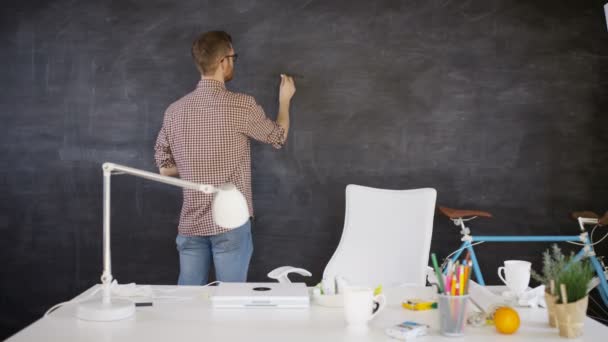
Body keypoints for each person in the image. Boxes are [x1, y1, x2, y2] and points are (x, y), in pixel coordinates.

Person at [154, 31, 296, 285]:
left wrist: (193, 161)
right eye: (233, 57)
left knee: (186, 301)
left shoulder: (174, 111)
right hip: (230, 223)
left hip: (190, 223)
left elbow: (164, 169)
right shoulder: (241, 106)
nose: (234, 62)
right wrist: (284, 101)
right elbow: (278, 137)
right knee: (230, 299)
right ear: (223, 61)